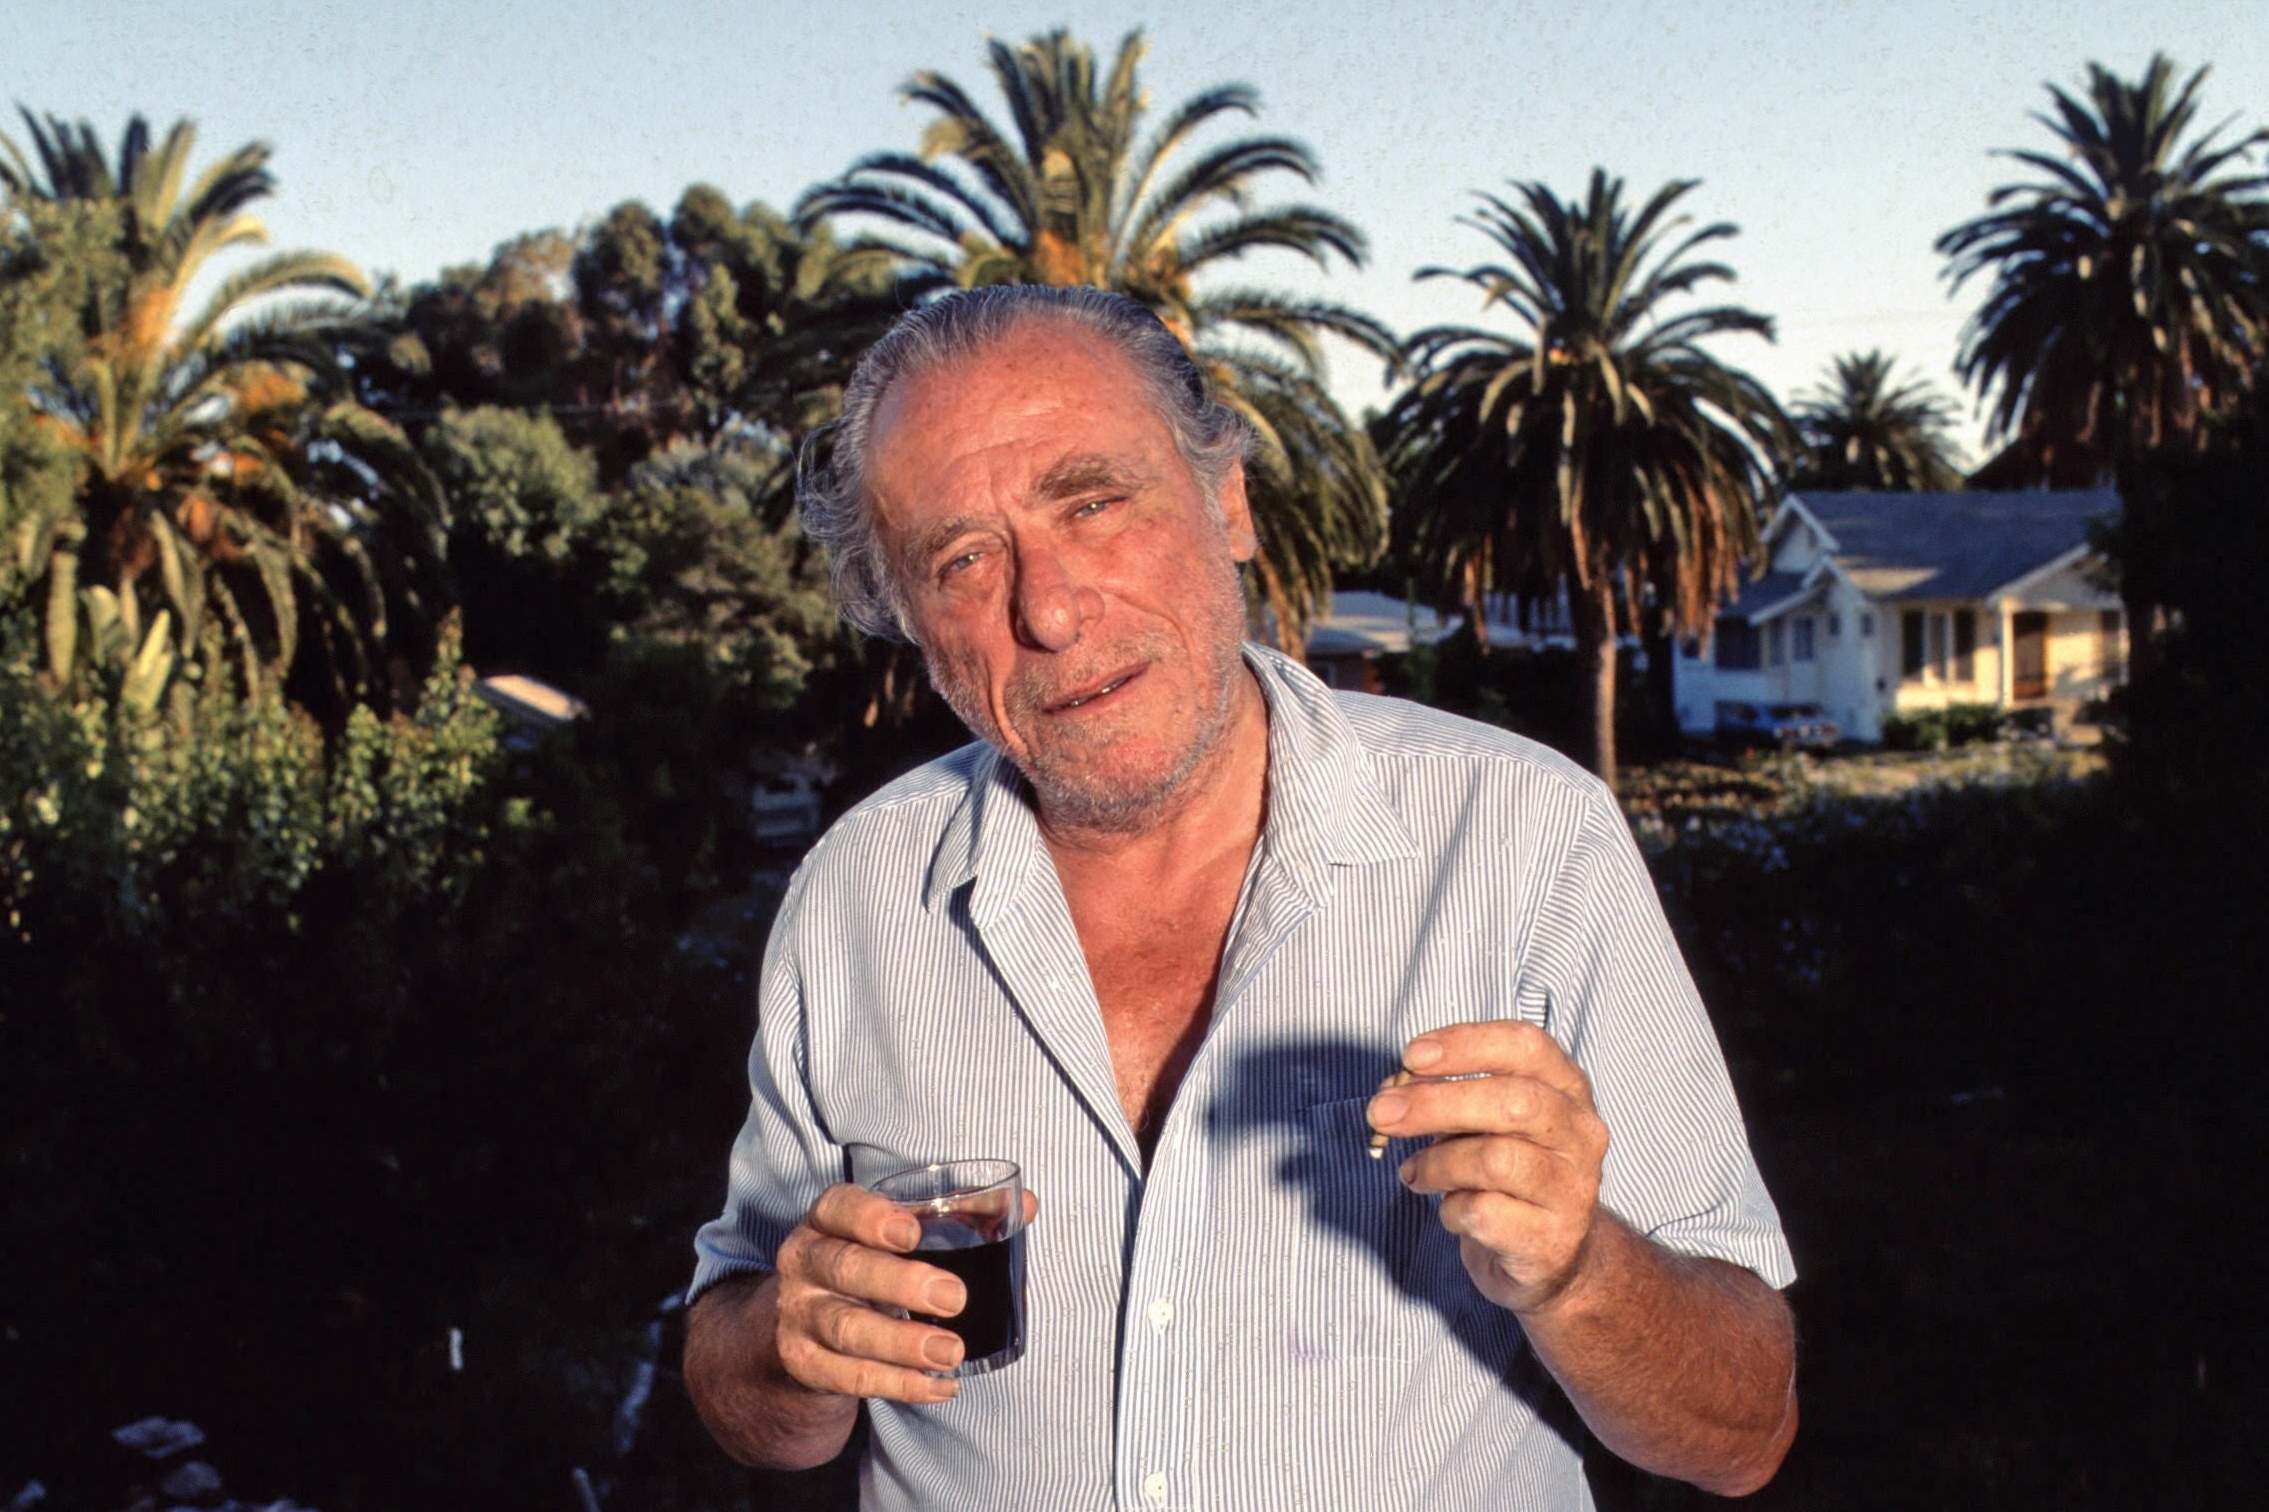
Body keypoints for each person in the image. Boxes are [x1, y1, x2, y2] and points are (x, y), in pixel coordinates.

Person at [683, 286, 1797, 1509]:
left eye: (1093, 503)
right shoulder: (854, 898)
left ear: (1227, 501)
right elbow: (751, 1401)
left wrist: (1583, 1270)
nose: (1048, 609)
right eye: (961, 560)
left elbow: (1741, 1434)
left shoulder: (1525, 840)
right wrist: (790, 1345)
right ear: (906, 622)